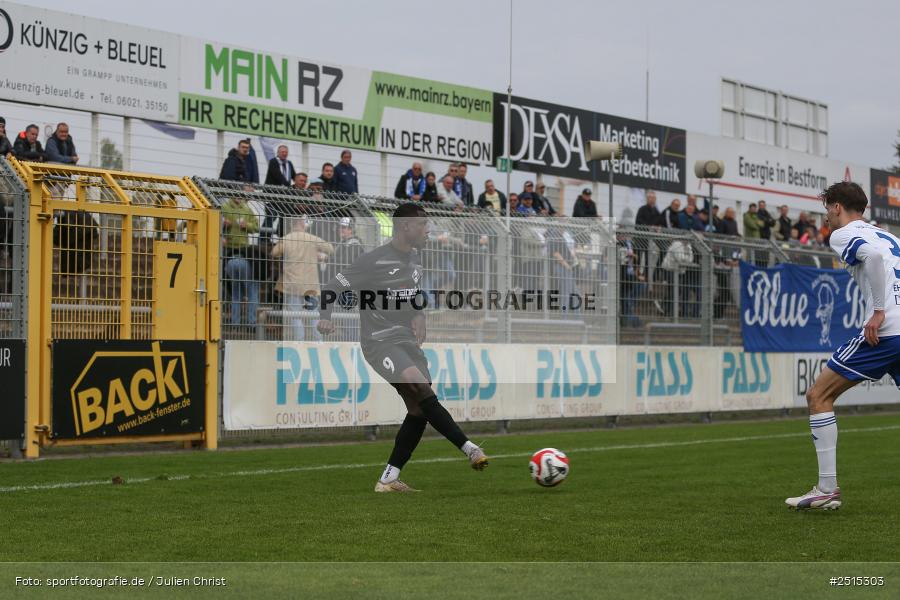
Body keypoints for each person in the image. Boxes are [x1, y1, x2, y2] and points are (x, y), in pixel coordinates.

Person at [317, 203, 489, 492]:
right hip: (380, 341)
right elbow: (332, 286)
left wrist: (419, 314)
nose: (428, 230)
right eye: (423, 225)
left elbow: (412, 295)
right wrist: (325, 317)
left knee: (420, 409)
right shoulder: (373, 261)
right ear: (405, 226)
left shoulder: (416, 259)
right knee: (419, 386)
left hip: (407, 341)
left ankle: (388, 479)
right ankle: (469, 448)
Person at [785, 182, 900, 511]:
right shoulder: (890, 236)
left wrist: (878, 311)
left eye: (827, 209)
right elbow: (883, 256)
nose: (826, 216)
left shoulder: (843, 233)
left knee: (818, 396)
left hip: (886, 331)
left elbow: (874, 258)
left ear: (837, 207)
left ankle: (826, 489)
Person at [272, 216, 334, 341]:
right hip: (310, 284)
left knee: (296, 315)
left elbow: (274, 253)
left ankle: (299, 342)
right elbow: (330, 249)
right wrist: (316, 254)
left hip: (292, 283)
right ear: (302, 224)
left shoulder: (287, 238)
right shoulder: (312, 239)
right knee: (313, 314)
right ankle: (319, 342)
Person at [221, 196, 261, 330]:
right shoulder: (224, 208)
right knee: (251, 291)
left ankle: (235, 323)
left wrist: (247, 225)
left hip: (234, 254)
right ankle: (251, 323)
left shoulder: (246, 209)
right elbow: (213, 222)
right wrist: (222, 226)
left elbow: (256, 227)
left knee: (236, 292)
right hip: (235, 253)